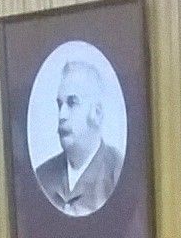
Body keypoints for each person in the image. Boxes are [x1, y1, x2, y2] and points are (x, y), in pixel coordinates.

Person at [34, 58, 123, 215]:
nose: (62, 115)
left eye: (72, 103)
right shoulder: (43, 177)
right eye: (60, 105)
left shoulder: (117, 172)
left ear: (97, 113)